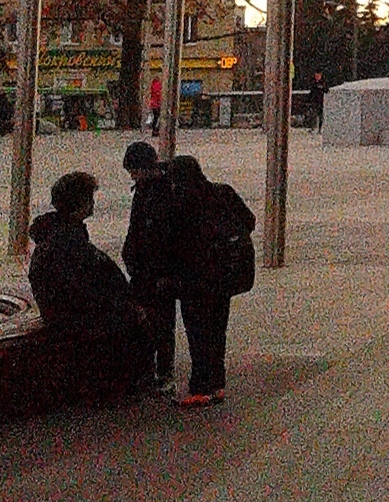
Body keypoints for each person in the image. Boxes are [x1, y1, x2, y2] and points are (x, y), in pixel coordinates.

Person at [27, 172, 151, 401]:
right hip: (77, 315)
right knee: (136, 323)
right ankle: (114, 385)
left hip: (70, 310)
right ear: (79, 203)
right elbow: (84, 289)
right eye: (89, 198)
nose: (93, 203)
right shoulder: (68, 242)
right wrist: (124, 304)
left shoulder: (59, 235)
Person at [166, 154, 256, 406]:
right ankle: (217, 384)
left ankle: (201, 387)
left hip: (194, 279)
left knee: (197, 334)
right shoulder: (222, 192)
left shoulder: (182, 202)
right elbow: (249, 221)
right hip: (223, 276)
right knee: (217, 330)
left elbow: (173, 241)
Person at [121, 140, 178, 393]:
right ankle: (147, 369)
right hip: (142, 269)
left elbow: (165, 235)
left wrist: (166, 272)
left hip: (158, 271)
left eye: (134, 171)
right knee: (146, 322)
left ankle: (164, 371)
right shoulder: (144, 190)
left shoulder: (164, 191)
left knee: (162, 323)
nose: (133, 176)